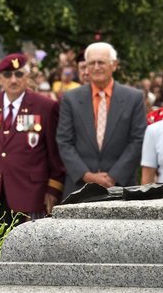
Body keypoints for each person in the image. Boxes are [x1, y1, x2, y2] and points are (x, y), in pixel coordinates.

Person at [0, 53, 64, 220]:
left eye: (19, 74)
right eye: (7, 75)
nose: (13, 80)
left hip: (31, 194)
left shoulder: (45, 106)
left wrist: (53, 189)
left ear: (27, 77)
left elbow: (55, 154)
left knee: (29, 245)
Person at [56, 43, 146, 198]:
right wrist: (88, 176)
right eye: (91, 63)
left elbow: (137, 141)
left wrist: (113, 176)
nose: (96, 67)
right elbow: (64, 141)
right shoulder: (70, 99)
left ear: (114, 65)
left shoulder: (134, 98)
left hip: (120, 187)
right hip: (79, 188)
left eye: (101, 62)